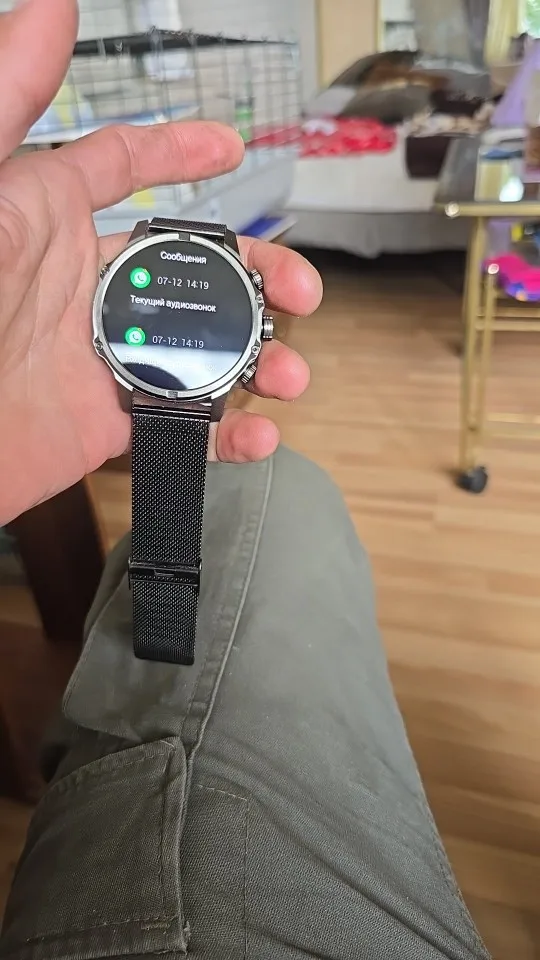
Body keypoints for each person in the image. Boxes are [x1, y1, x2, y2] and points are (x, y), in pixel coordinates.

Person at [0, 2, 491, 959]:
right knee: (278, 486)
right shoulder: (142, 315)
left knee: (273, 492)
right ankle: (144, 656)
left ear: (251, 330)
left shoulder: (138, 304)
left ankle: (142, 661)